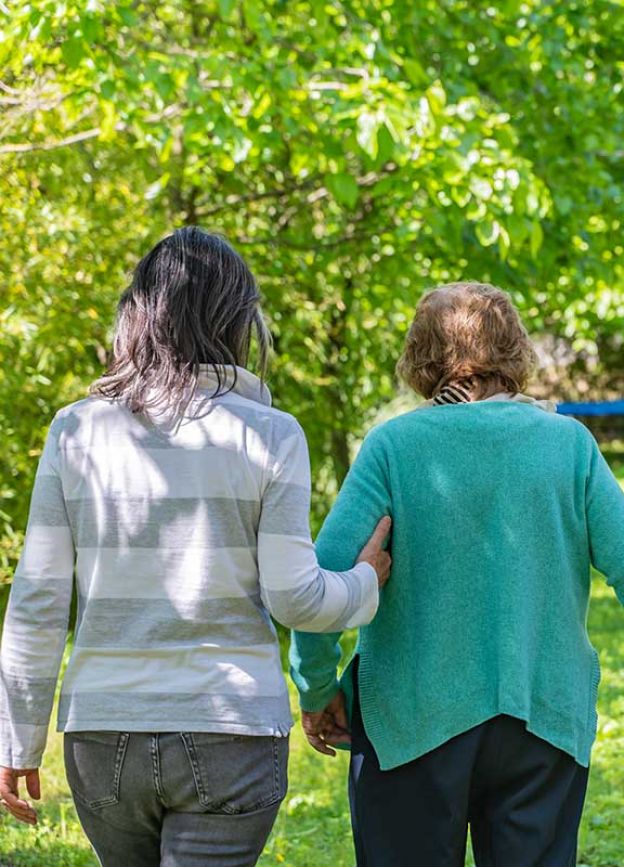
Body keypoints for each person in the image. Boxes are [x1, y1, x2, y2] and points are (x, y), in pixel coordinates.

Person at [0, 227, 392, 867]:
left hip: (102, 733)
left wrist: (15, 739)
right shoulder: (270, 434)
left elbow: (39, 598)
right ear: (237, 319)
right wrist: (366, 581)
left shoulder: (75, 430)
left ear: (138, 314)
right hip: (229, 732)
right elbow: (295, 598)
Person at [290, 281, 624, 866]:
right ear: (515, 355)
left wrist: (318, 686)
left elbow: (320, 580)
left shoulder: (393, 448)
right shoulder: (568, 446)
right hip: (541, 715)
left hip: (411, 721)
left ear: (421, 359)